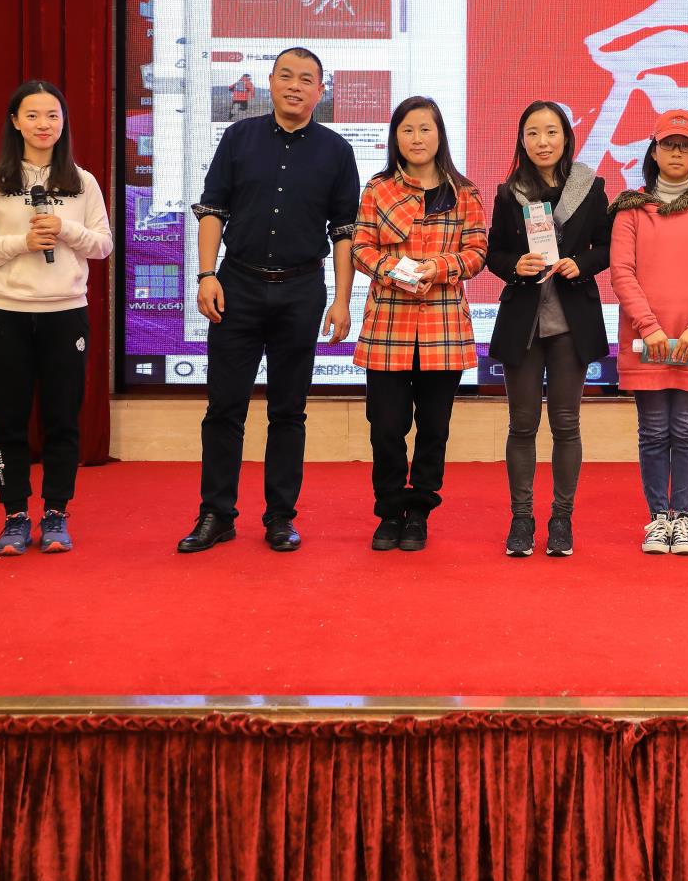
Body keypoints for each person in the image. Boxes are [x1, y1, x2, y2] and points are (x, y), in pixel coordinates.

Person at [181, 47, 360, 553]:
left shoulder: (336, 151)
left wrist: (342, 301)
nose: (295, 86)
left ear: (320, 91)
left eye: (306, 79)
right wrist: (206, 274)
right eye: (286, 76)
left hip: (302, 291)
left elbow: (344, 231)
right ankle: (216, 514)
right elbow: (213, 209)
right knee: (224, 408)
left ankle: (280, 517)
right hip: (236, 285)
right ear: (271, 82)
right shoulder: (238, 137)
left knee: (288, 411)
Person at [0, 81, 112, 556]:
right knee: (9, 420)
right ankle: (14, 517)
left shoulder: (82, 182)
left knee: (62, 419)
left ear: (63, 122)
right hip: (5, 314)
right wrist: (19, 243)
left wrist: (65, 229)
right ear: (15, 122)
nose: (43, 124)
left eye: (52, 115)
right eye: (32, 115)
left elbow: (103, 245)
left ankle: (57, 513)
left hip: (65, 315)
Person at [351, 97, 487, 551]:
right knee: (386, 427)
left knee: (434, 429)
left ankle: (420, 513)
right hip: (387, 325)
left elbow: (477, 252)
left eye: (425, 129)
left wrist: (439, 268)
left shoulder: (464, 192)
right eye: (407, 130)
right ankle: (390, 511)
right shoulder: (378, 189)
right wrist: (394, 270)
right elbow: (361, 248)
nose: (416, 138)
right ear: (396, 137)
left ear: (440, 134)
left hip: (443, 329)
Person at [486, 101, 612, 558]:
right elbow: (494, 252)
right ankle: (521, 519)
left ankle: (562, 519)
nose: (543, 142)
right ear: (522, 141)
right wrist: (513, 265)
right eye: (533, 133)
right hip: (523, 321)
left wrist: (581, 263)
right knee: (522, 425)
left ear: (566, 137)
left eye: (551, 132)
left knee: (566, 424)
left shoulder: (590, 187)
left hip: (570, 322)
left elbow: (608, 246)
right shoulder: (509, 193)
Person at [609, 110, 688, 556]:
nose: (677, 153)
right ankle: (657, 519)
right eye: (668, 144)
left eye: (686, 146)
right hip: (647, 342)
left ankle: (682, 519)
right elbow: (622, 274)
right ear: (654, 151)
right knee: (654, 431)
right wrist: (650, 327)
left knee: (686, 430)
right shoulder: (631, 209)